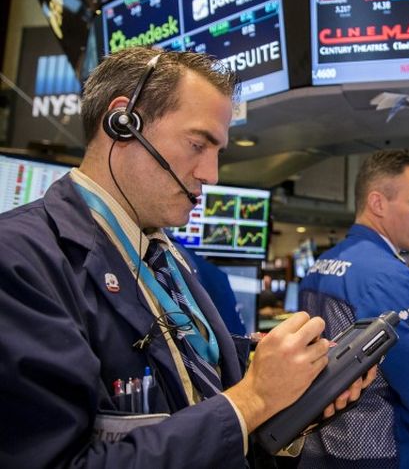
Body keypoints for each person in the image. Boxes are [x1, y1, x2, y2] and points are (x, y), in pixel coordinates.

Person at [0, 47, 373, 468]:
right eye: (198, 144)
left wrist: (293, 403)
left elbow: (199, 405)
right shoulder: (17, 259)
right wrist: (253, 398)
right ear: (123, 122)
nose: (211, 174)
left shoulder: (167, 258)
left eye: (218, 152)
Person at [298, 150, 409, 468]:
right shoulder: (391, 279)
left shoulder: (320, 267)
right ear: (378, 203)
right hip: (392, 455)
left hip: (328, 453)